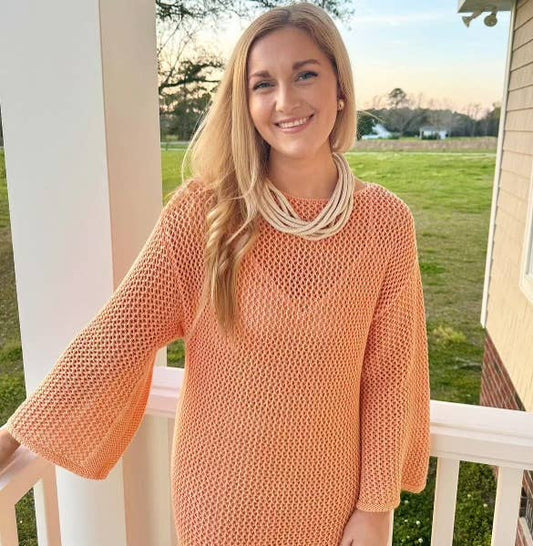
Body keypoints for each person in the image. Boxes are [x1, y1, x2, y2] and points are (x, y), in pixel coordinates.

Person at [0, 2, 431, 545]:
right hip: (218, 494)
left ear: (339, 88)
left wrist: (376, 508)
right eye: (262, 84)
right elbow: (118, 336)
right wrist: (14, 436)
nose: (285, 100)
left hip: (333, 496)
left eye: (305, 74)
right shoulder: (206, 215)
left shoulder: (386, 224)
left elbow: (391, 376)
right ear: (245, 103)